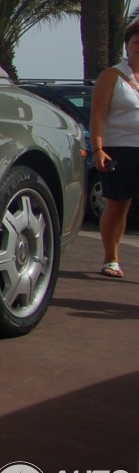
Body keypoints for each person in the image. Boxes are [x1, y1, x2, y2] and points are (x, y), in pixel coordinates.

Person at [88, 19, 139, 278]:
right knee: (118, 205)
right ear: (127, 46)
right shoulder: (112, 76)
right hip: (119, 149)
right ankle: (111, 258)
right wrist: (97, 149)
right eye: (136, 42)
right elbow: (97, 116)